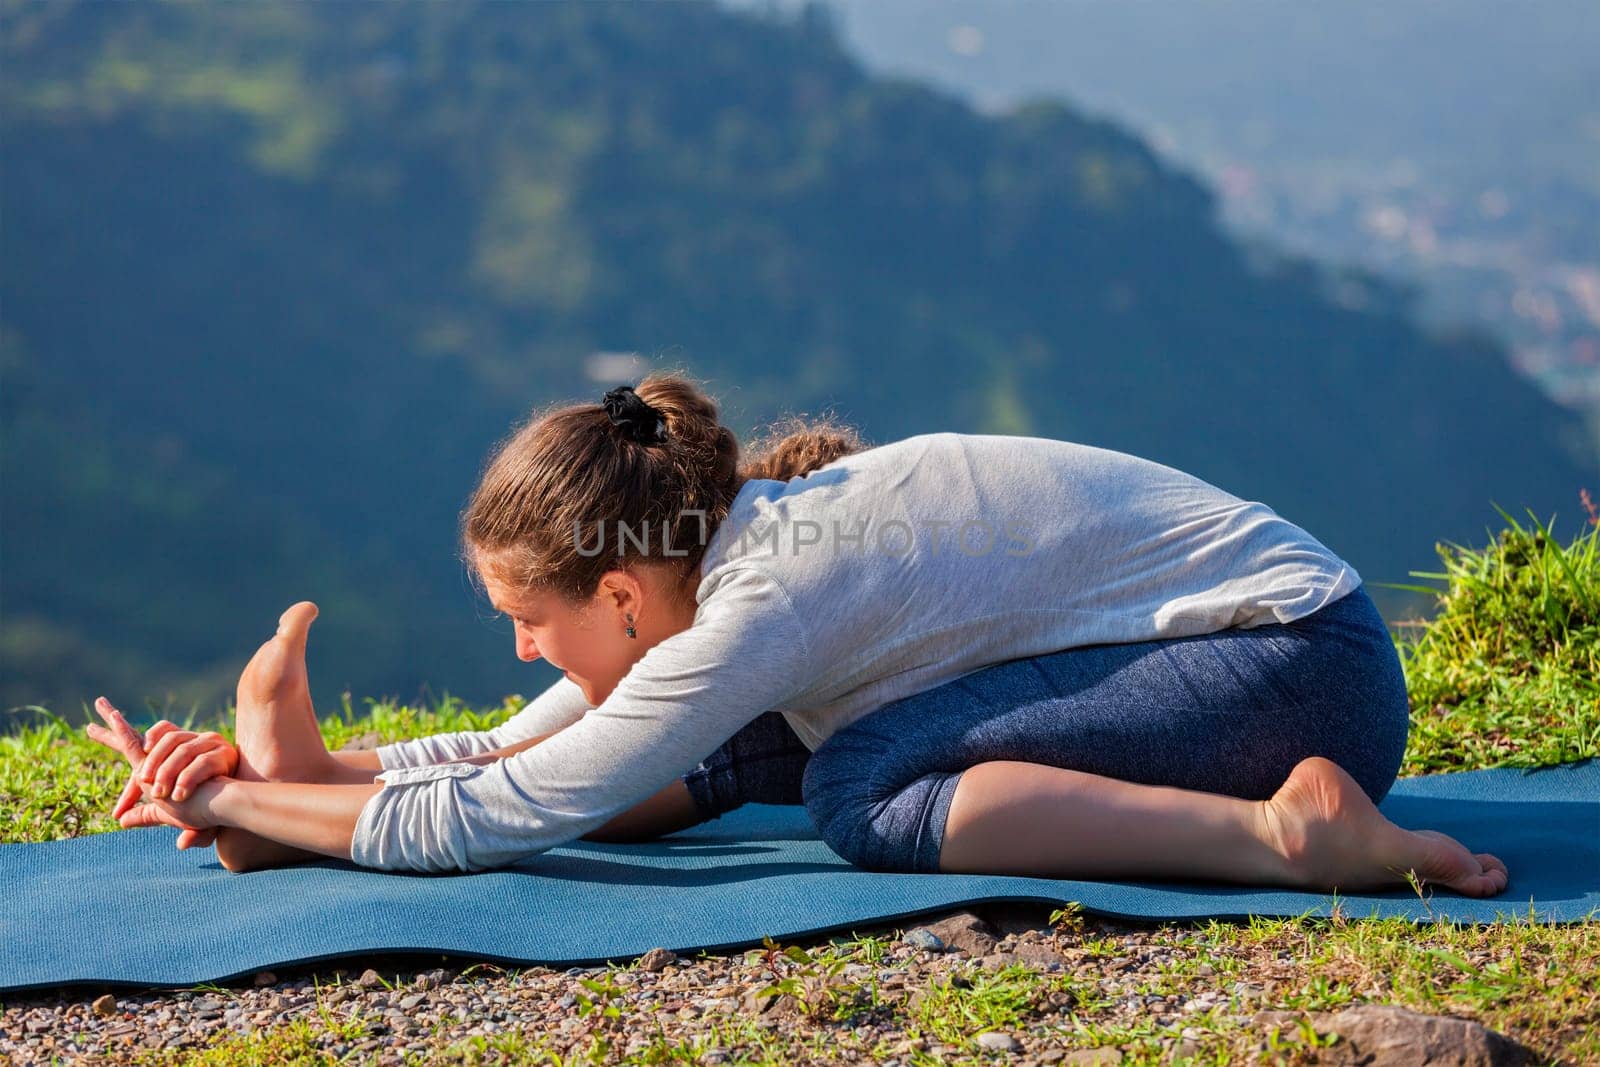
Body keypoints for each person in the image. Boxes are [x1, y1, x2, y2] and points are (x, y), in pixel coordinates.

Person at [88, 371, 1508, 898]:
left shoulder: (766, 597)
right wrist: (324, 780)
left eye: (534, 621)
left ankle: (1285, 839)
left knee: (854, 789)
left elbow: (514, 814)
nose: (524, 653)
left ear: (627, 594)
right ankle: (307, 809)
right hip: (1252, 648)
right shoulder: (739, 548)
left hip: (1293, 667)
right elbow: (538, 748)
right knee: (766, 740)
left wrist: (233, 794)